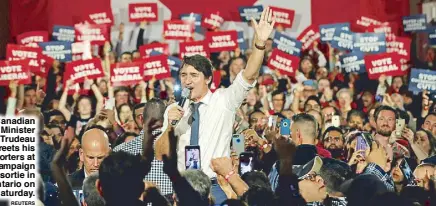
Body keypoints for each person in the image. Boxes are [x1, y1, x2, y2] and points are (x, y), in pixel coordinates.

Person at [164, 8, 275, 205]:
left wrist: (259, 44)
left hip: (215, 186)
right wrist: (171, 126)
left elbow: (248, 75)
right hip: (182, 186)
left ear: (208, 78)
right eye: (184, 75)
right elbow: (161, 153)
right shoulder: (174, 110)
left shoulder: (223, 101)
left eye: (194, 75)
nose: (187, 81)